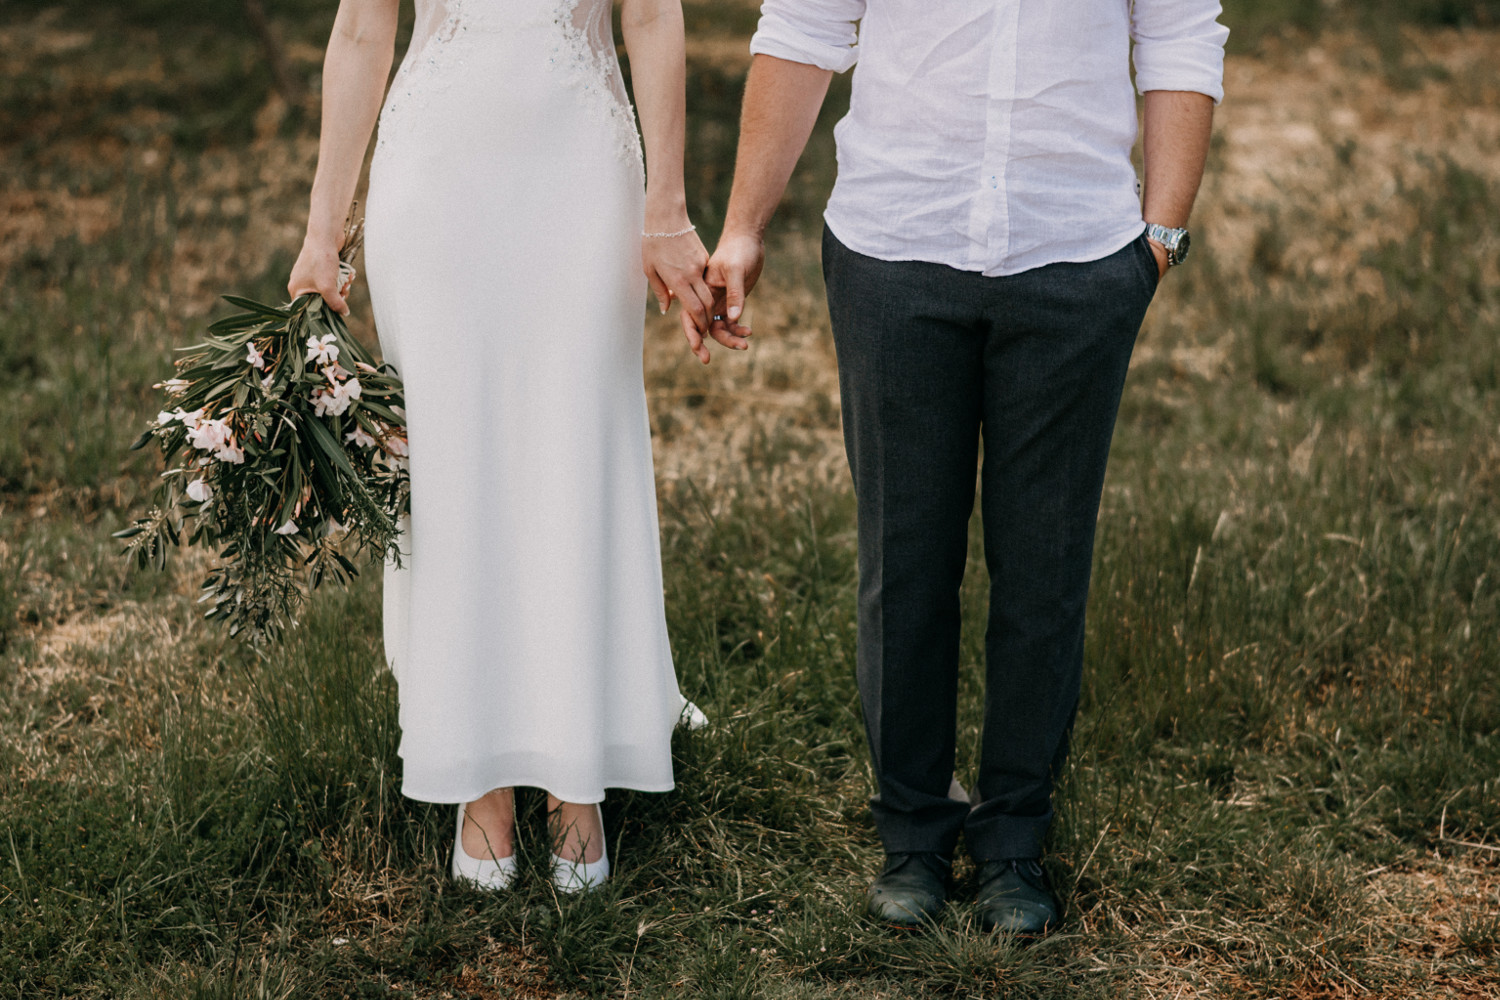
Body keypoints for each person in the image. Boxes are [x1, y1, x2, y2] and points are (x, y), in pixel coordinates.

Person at [694, 0, 1228, 932]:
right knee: (905, 559)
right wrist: (745, 223)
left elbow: (1181, 33)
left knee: (1045, 565)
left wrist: (1160, 239)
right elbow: (805, 28)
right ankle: (912, 832)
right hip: (895, 246)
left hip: (1078, 255)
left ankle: (1015, 839)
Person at [288, 0, 721, 894]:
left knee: (575, 442)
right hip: (437, 177)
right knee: (454, 460)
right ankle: (476, 769)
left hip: (582, 171)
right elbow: (364, 30)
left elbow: (649, 13)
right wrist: (321, 232)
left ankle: (575, 776)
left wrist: (667, 206)